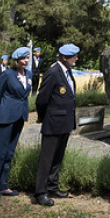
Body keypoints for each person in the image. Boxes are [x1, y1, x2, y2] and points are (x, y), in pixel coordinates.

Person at [34, 44, 80, 206]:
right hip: (53, 122)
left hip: (65, 122)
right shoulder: (53, 72)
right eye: (74, 56)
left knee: (57, 158)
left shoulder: (66, 71)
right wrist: (43, 117)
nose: (77, 59)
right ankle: (40, 192)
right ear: (64, 57)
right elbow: (41, 99)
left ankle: (52, 186)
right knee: (46, 159)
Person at [0, 47, 32, 203]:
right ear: (16, 60)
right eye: (23, 58)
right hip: (5, 116)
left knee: (9, 152)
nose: (26, 61)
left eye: (28, 58)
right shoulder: (7, 74)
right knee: (0, 152)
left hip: (19, 117)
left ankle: (3, 185)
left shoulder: (29, 74)